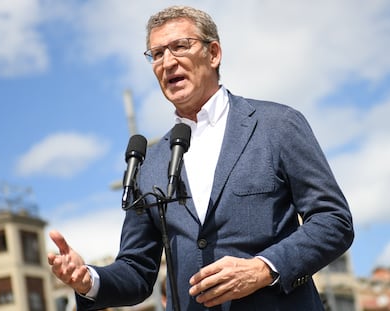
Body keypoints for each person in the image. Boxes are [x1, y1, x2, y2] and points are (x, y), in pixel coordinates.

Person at [48, 5, 354, 311]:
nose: (167, 62)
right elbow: (137, 270)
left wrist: (264, 268)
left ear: (214, 53)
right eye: (156, 54)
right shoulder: (150, 164)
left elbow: (333, 221)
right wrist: (88, 280)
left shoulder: (277, 125)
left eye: (180, 46)